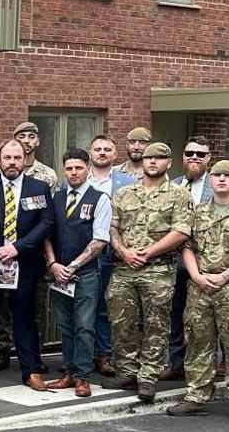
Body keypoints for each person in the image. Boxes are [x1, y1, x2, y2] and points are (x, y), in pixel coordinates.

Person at [166, 160, 229, 423]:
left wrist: (224, 276)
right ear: (211, 180)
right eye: (217, 175)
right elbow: (187, 247)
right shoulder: (198, 212)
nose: (221, 180)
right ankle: (196, 395)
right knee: (198, 342)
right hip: (200, 288)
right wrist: (197, 275)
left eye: (227, 176)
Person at [104, 142, 191, 403]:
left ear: (169, 162)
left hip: (158, 269)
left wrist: (148, 252)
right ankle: (128, 371)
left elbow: (181, 231)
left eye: (159, 158)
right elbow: (111, 227)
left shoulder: (179, 195)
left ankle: (148, 377)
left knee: (156, 325)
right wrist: (123, 251)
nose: (152, 162)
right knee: (122, 322)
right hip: (125, 267)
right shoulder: (124, 193)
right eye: (148, 158)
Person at [0, 139, 54, 387]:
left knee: (25, 317)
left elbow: (46, 223)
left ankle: (30, 371)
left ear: (24, 160)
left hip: (25, 263)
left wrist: (16, 248)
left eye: (17, 158)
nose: (12, 162)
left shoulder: (38, 188)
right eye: (7, 157)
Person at [43, 148, 110, 397]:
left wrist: (72, 267)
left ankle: (83, 376)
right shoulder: (55, 199)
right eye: (69, 168)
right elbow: (46, 236)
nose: (74, 172)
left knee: (84, 325)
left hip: (86, 275)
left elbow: (100, 240)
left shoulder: (100, 198)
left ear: (88, 169)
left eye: (78, 168)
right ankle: (69, 372)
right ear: (64, 170)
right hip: (59, 276)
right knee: (66, 325)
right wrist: (53, 265)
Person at [165, 136, 216, 381]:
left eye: (200, 154)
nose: (194, 157)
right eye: (189, 153)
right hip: (173, 262)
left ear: (209, 158)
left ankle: (203, 368)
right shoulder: (172, 185)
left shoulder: (216, 186)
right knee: (174, 314)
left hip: (205, 263)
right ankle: (176, 363)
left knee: (201, 319)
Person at [88, 134, 136, 377]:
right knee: (84, 304)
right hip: (84, 252)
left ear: (115, 155)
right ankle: (83, 355)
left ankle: (104, 354)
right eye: (98, 149)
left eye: (107, 149)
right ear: (90, 153)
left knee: (107, 305)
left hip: (113, 253)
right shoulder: (76, 177)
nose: (102, 153)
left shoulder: (128, 182)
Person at [12, 122, 58, 187]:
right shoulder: (1, 171)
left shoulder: (48, 174)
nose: (26, 141)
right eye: (22, 137)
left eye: (31, 137)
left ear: (38, 142)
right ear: (14, 142)